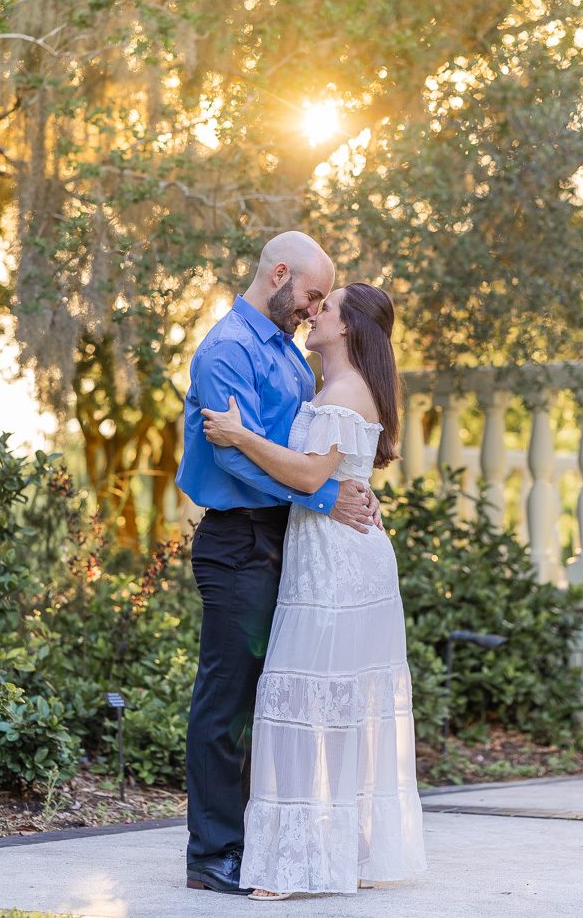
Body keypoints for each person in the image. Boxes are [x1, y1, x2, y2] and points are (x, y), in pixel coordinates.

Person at [202, 281, 428, 898]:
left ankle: (295, 867)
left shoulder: (346, 392)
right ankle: (339, 856)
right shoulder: (333, 388)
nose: (313, 312)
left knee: (303, 701)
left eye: (324, 308)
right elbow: (330, 474)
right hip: (326, 555)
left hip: (339, 568)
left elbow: (308, 473)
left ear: (348, 328)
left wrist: (239, 435)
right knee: (335, 706)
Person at [176, 233, 382, 896]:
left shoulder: (289, 359)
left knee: (269, 701)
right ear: (280, 274)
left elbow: (303, 446)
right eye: (311, 296)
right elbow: (235, 456)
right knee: (227, 700)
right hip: (237, 545)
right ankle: (212, 855)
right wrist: (325, 495)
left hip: (284, 541)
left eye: (323, 302)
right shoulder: (228, 349)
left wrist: (337, 478)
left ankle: (263, 845)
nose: (312, 309)